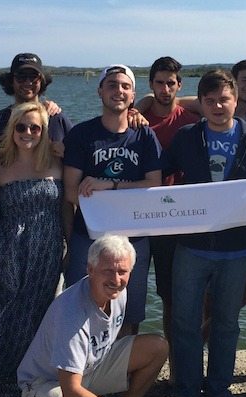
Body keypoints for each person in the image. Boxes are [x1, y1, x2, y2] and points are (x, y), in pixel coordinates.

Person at [159, 69, 246, 397]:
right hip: (190, 247)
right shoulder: (188, 137)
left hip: (237, 251)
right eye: (210, 100)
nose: (218, 106)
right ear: (200, 104)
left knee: (226, 323)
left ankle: (219, 390)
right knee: (185, 321)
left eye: (224, 99)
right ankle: (187, 390)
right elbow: (157, 175)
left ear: (236, 101)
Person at [17, 235, 169, 397]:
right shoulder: (72, 314)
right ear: (90, 269)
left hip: (89, 365)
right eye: (107, 271)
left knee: (158, 347)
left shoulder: (118, 292)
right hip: (47, 381)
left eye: (123, 271)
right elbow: (71, 392)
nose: (116, 279)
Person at [0, 101, 69, 397]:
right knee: (7, 319)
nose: (28, 133)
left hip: (47, 253)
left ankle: (33, 392)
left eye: (35, 127)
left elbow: (65, 212)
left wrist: (72, 247)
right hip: (11, 252)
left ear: (44, 131)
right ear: (12, 130)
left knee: (41, 321)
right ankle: (0, 393)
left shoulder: (57, 164)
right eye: (21, 127)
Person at [62, 64, 162, 337]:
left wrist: (109, 186)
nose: (118, 91)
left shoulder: (144, 135)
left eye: (125, 86)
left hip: (134, 238)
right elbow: (71, 192)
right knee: (79, 306)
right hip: (90, 235)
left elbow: (155, 185)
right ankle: (79, 374)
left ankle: (120, 375)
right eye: (112, 85)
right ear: (100, 91)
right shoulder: (82, 135)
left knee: (129, 313)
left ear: (133, 95)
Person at [138, 56, 200, 368]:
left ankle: (177, 368)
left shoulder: (190, 119)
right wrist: (140, 105)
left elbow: (221, 103)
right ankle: (121, 367)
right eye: (159, 83)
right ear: (151, 84)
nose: (165, 89)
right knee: (128, 295)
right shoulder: (137, 118)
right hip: (135, 216)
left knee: (171, 297)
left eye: (170, 83)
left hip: (174, 219)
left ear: (179, 85)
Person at [0, 53, 73, 152]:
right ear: (11, 81)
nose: (28, 82)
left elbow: (80, 150)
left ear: (42, 81)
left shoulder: (56, 119)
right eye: (21, 77)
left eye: (33, 77)